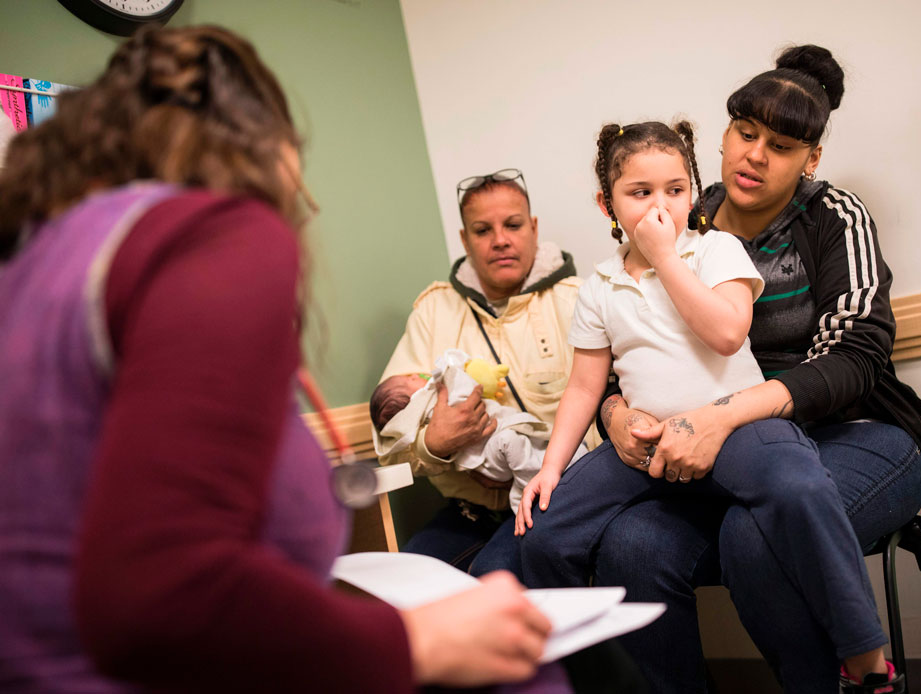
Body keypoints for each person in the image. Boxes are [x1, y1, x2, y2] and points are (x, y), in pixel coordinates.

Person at [0, 25, 556, 693]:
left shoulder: (38, 261)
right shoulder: (213, 234)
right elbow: (160, 590)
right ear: (269, 146)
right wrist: (414, 642)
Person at [567, 46, 921, 694]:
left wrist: (727, 414)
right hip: (715, 443)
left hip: (854, 431)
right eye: (746, 133)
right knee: (630, 543)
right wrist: (618, 416)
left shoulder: (834, 218)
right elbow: (618, 360)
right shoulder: (676, 213)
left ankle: (837, 683)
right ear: (720, 135)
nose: (755, 155)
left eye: (782, 145)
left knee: (755, 533)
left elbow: (856, 357)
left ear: (811, 160)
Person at [514, 118, 767, 546]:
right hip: (650, 452)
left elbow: (728, 335)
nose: (660, 207)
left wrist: (665, 258)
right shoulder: (599, 287)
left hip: (736, 431)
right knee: (546, 529)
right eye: (640, 192)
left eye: (675, 190)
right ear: (606, 204)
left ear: (692, 194)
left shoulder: (715, 250)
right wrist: (552, 467)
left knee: (794, 486)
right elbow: (582, 388)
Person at [376, 168, 597, 574]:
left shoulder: (580, 300)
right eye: (482, 230)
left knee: (492, 578)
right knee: (404, 585)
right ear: (464, 239)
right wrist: (435, 444)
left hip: (559, 496)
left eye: (513, 225)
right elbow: (389, 432)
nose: (500, 240)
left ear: (533, 228)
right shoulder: (432, 312)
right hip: (470, 510)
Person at [370, 350, 586, 515]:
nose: (417, 374)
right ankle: (525, 495)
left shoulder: (564, 296)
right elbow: (391, 452)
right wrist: (431, 445)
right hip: (481, 486)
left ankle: (542, 487)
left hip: (489, 462)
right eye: (411, 378)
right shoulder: (430, 313)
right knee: (512, 442)